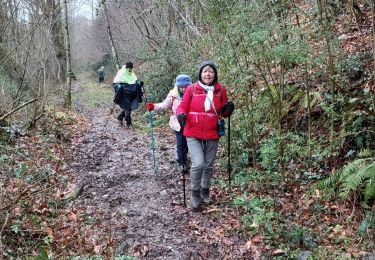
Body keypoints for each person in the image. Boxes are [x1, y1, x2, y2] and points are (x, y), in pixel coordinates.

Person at [176, 61, 234, 211]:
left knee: (208, 165)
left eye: (211, 71)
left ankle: (205, 190)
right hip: (193, 131)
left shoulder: (221, 90)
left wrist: (228, 109)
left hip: (212, 131)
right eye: (205, 71)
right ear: (200, 74)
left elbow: (224, 113)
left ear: (215, 74)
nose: (208, 74)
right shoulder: (191, 89)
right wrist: (180, 114)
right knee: (199, 164)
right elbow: (182, 106)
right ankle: (195, 193)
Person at [146, 74, 192, 173]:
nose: (183, 89)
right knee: (180, 143)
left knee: (188, 143)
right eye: (181, 86)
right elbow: (164, 105)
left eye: (185, 86)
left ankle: (185, 158)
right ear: (177, 86)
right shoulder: (173, 95)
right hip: (177, 123)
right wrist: (153, 106)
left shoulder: (194, 93)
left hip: (191, 123)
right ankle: (182, 163)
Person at [113, 62, 143, 127]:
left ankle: (120, 117)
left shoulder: (132, 72)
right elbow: (115, 83)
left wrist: (139, 83)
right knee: (128, 106)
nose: (130, 70)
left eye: (131, 69)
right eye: (129, 69)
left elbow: (134, 80)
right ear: (126, 68)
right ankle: (128, 122)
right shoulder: (121, 73)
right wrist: (118, 86)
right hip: (124, 92)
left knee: (131, 106)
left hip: (132, 92)